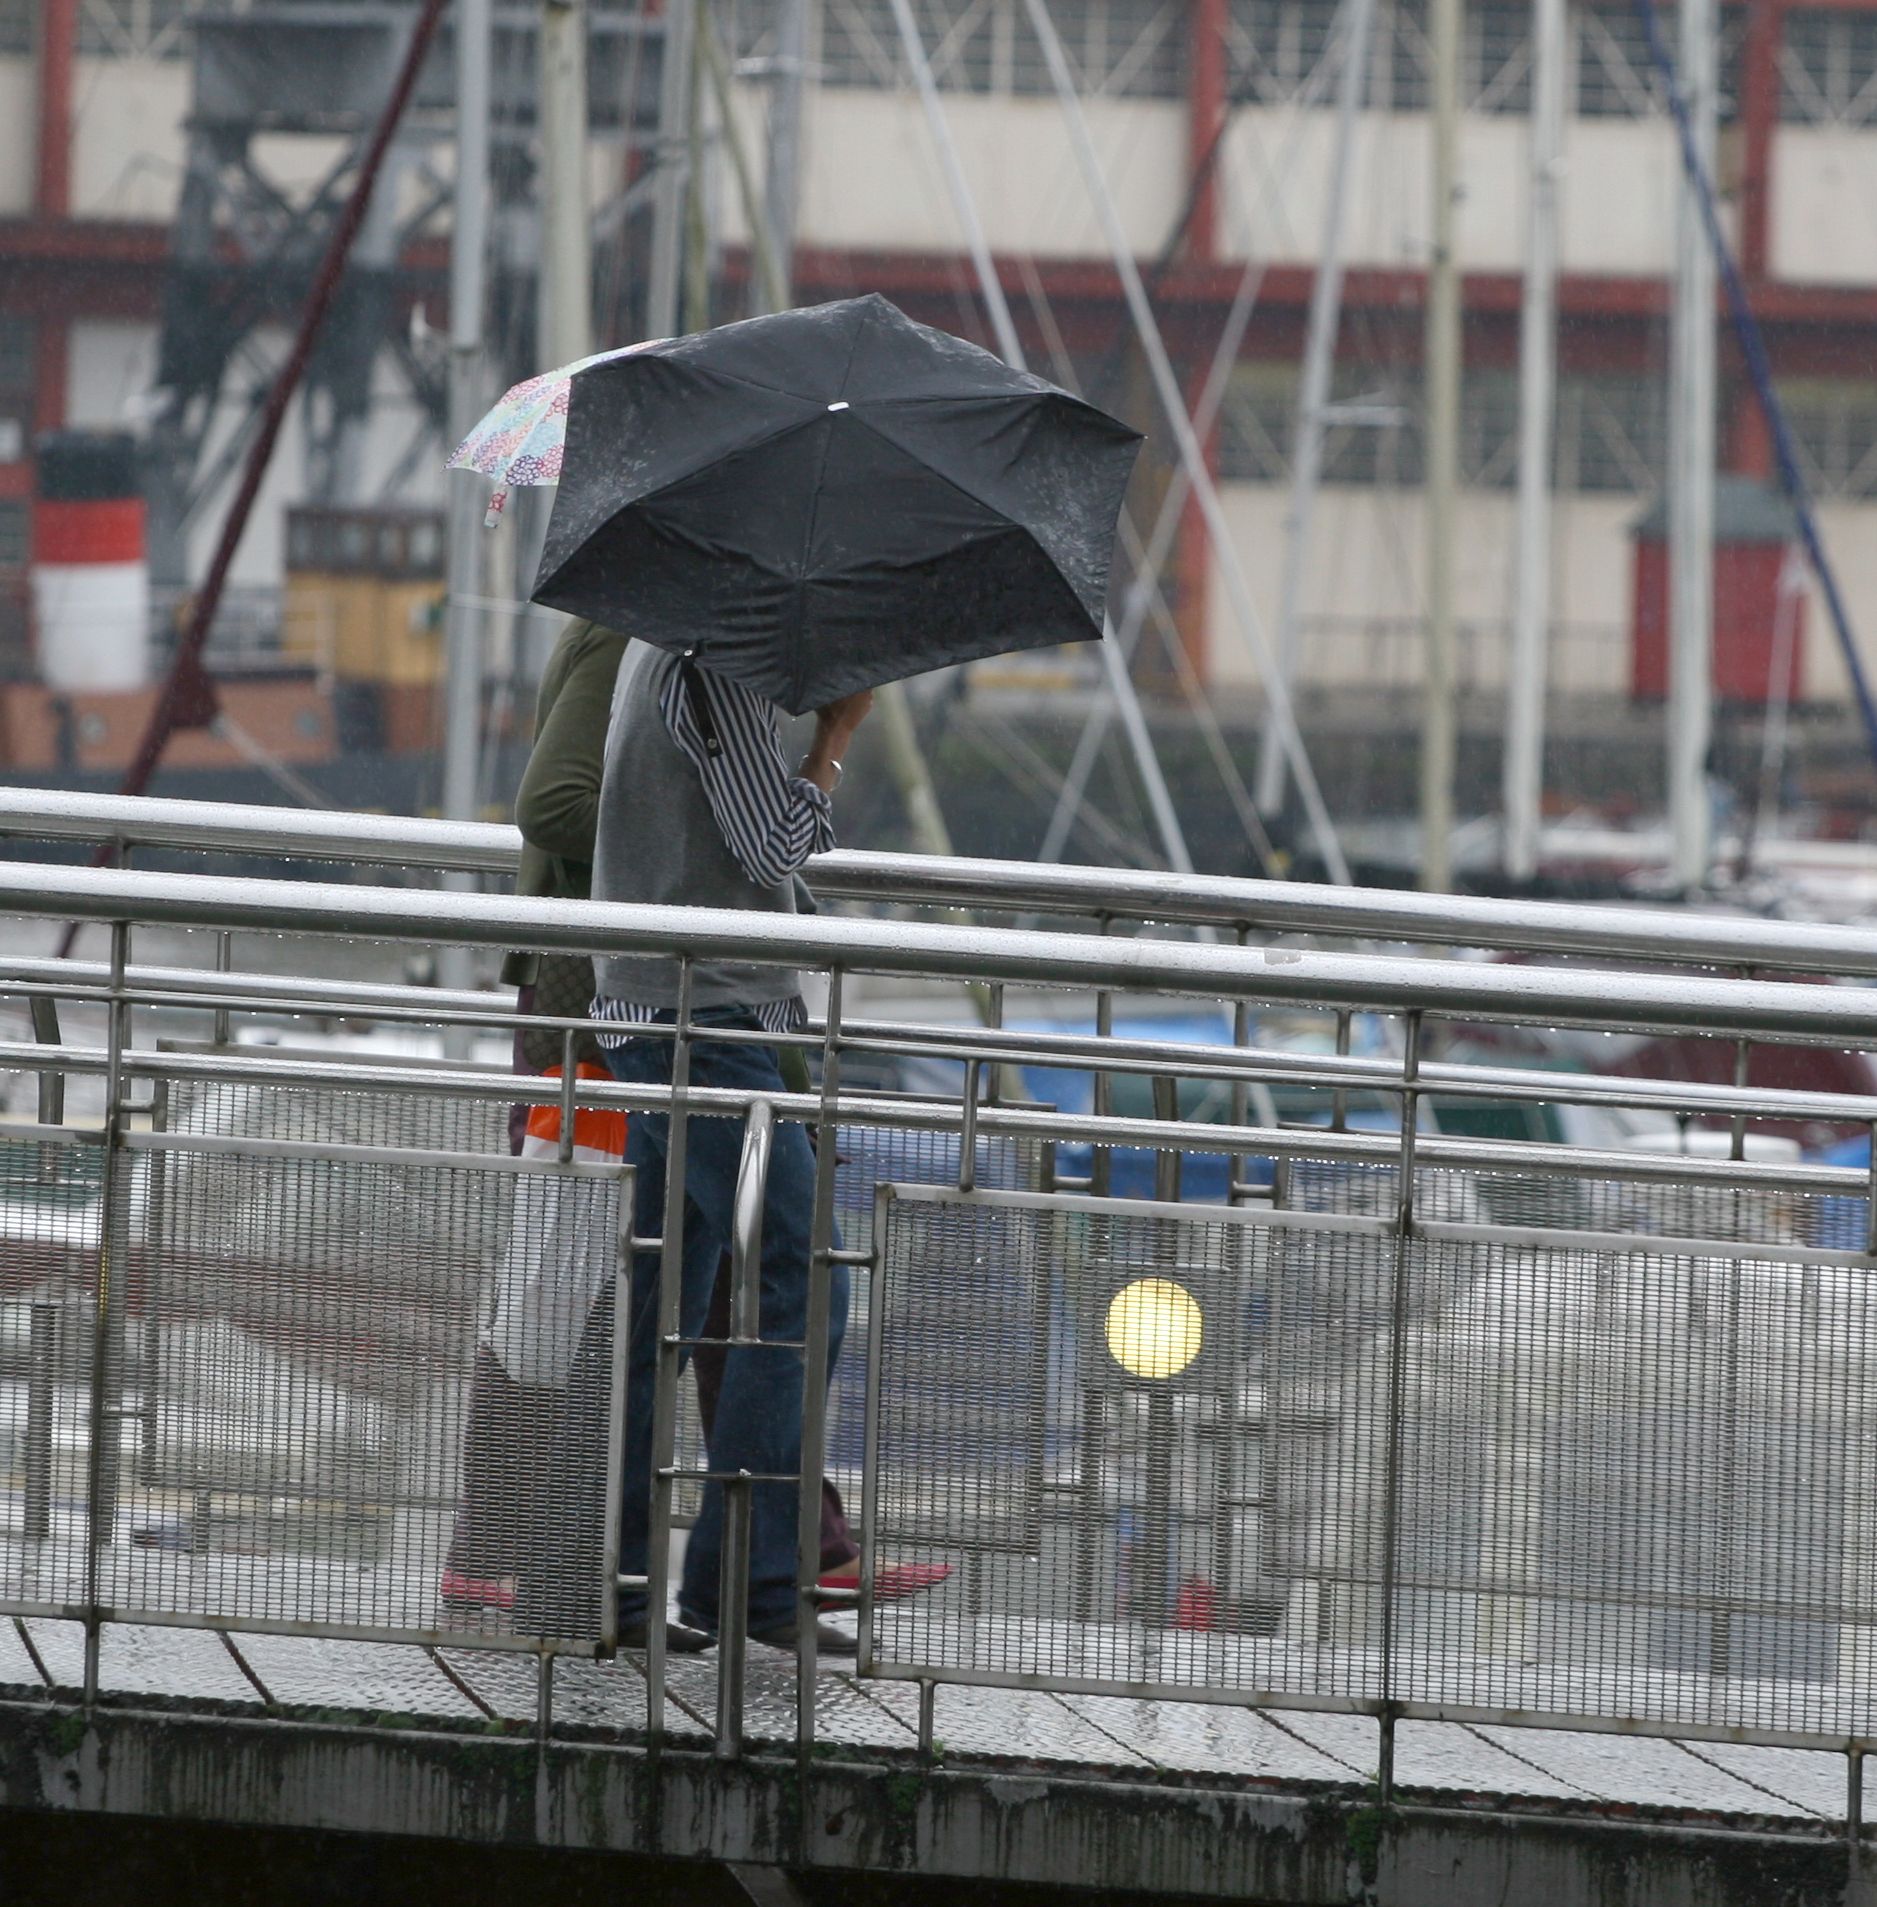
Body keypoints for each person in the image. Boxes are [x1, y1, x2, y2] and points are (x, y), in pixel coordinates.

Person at [584, 644, 876, 1654]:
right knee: (805, 1274)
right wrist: (834, 738)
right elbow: (771, 846)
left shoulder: (655, 644)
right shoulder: (715, 668)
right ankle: (739, 1577)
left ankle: (618, 1582)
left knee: (658, 1302)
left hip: (658, 1006)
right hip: (697, 1019)